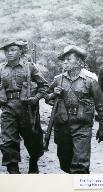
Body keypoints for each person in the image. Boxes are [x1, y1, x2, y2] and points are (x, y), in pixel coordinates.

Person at [45, 45, 103, 173]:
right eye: (64, 60)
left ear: (79, 62)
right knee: (65, 162)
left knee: (80, 164)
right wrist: (53, 94)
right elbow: (47, 97)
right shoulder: (58, 80)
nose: (65, 62)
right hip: (62, 126)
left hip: (82, 126)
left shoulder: (90, 81)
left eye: (69, 59)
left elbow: (102, 106)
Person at [0, 38, 49, 174]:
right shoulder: (1, 69)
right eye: (7, 50)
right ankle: (13, 170)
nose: (9, 53)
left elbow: (44, 86)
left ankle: (33, 162)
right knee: (8, 140)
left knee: (33, 139)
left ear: (20, 51)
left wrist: (36, 98)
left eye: (13, 50)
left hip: (27, 109)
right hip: (8, 108)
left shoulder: (30, 67)